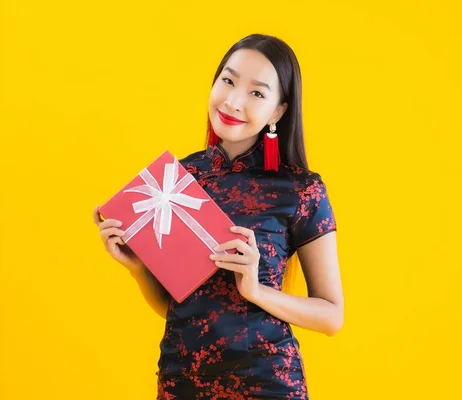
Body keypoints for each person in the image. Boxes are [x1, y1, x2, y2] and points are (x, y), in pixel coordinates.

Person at [93, 33, 343, 399]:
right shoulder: (175, 180)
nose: (233, 101)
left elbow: (331, 316)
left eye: (257, 93)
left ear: (279, 111)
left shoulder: (302, 190)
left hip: (267, 384)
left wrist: (256, 292)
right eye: (228, 80)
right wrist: (137, 267)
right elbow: (178, 309)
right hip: (181, 382)